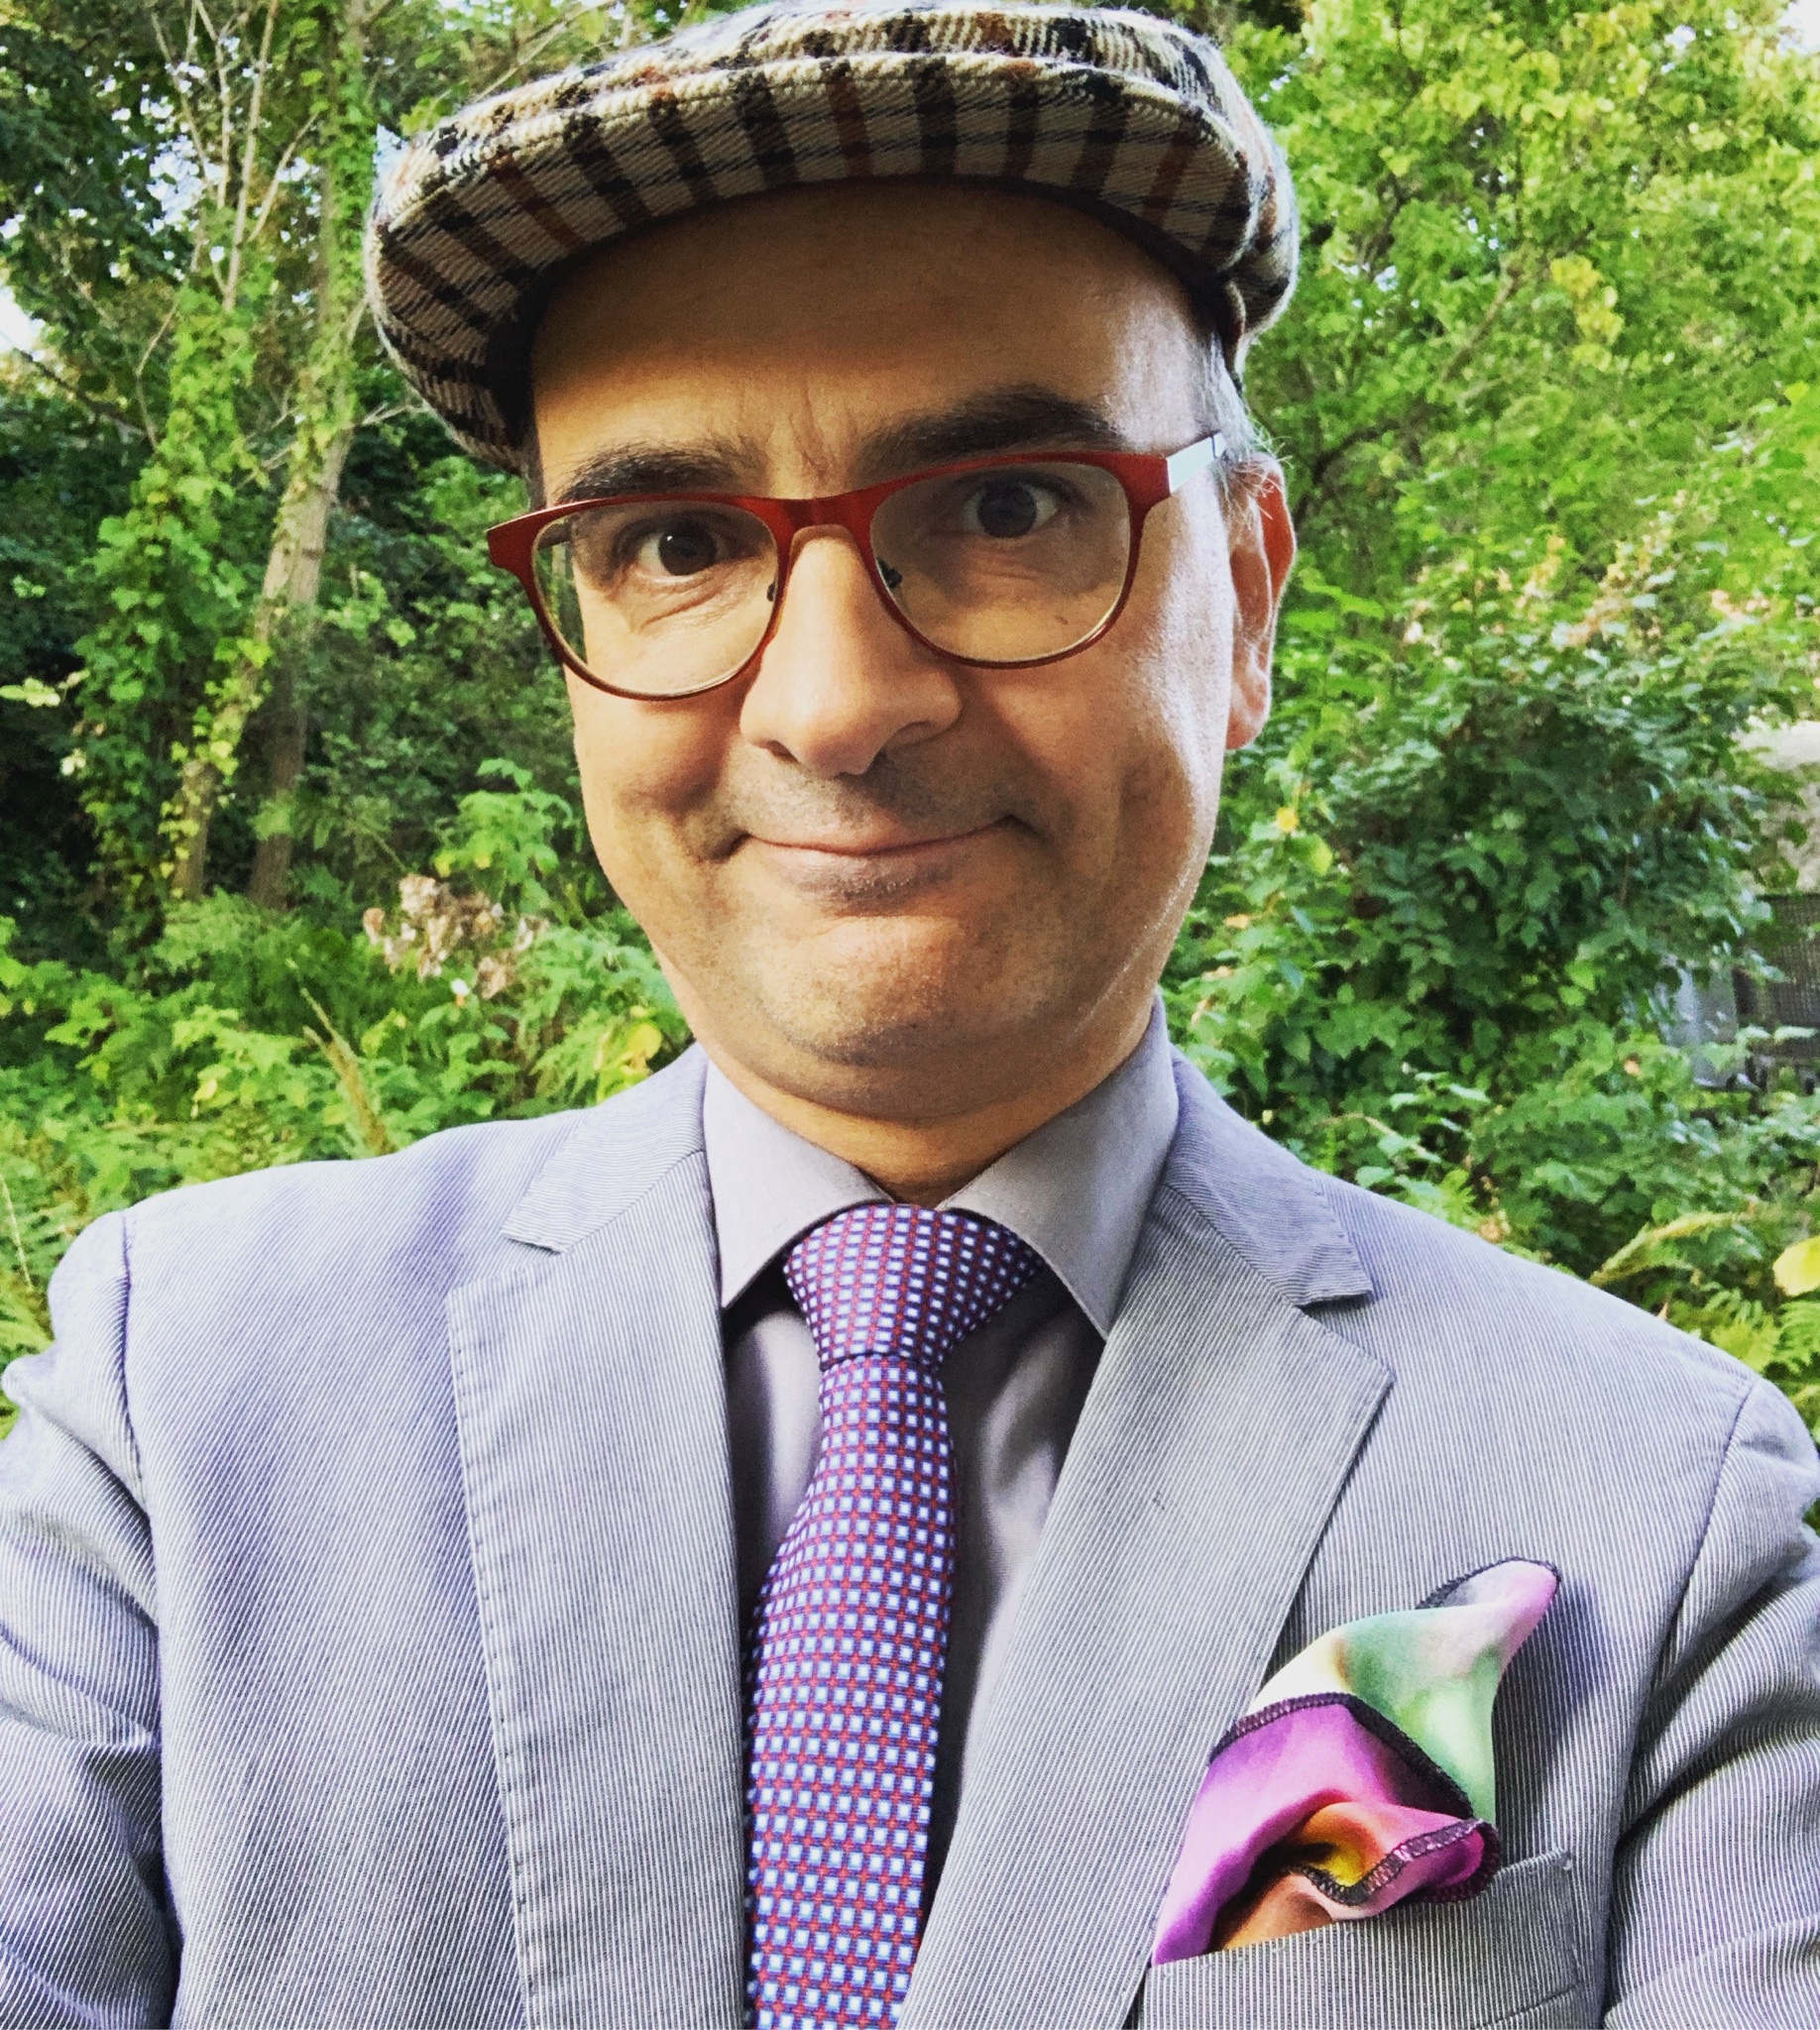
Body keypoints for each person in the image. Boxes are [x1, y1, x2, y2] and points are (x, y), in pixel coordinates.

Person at [2, 4, 1816, 2025]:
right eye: (678, 543)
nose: (836, 705)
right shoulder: (185, 1398)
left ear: (1245, 597)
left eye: (1010, 506)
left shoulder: (1665, 1508)